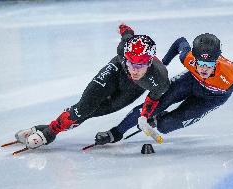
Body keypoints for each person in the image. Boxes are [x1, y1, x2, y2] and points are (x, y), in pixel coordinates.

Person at [14, 24, 170, 149]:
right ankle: (48, 133)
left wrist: (144, 116)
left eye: (140, 65)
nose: (134, 70)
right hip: (115, 73)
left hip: (132, 90)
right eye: (130, 62)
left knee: (93, 112)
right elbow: (127, 33)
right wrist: (124, 28)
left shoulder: (160, 79)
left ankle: (45, 128)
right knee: (84, 108)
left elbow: (152, 99)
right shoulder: (123, 49)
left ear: (149, 62)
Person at [103, 33, 233, 150]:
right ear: (194, 58)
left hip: (213, 98)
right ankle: (116, 132)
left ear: (217, 61)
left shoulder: (230, 76)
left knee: (165, 126)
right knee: (153, 104)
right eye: (200, 63)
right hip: (190, 81)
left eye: (208, 65)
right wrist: (163, 64)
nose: (203, 69)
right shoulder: (187, 57)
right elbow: (180, 41)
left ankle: (158, 120)